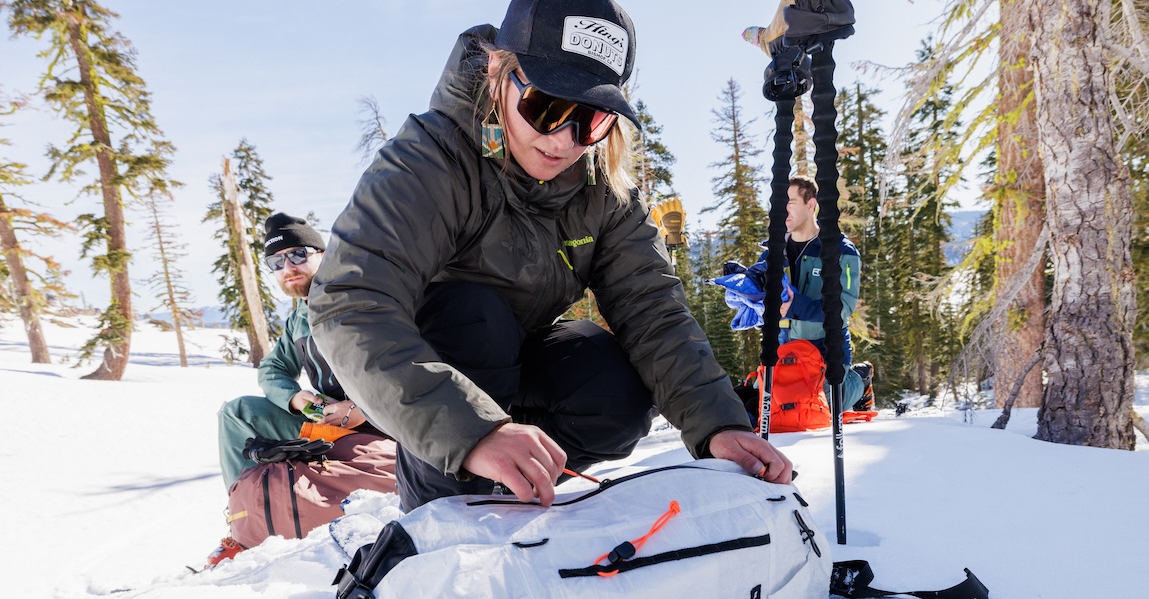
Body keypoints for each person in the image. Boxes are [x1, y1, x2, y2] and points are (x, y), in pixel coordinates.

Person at [309, 0, 794, 512]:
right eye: (547, 107)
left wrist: (718, 425)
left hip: (521, 365)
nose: (564, 139)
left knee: (611, 383)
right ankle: (442, 505)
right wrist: (474, 432)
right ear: (500, 71)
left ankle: (512, 487)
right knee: (476, 315)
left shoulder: (603, 188)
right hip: (436, 363)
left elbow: (653, 309)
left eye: (592, 120)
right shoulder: (429, 160)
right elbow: (350, 304)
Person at [216, 212, 379, 490]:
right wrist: (294, 398)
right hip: (329, 422)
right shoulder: (298, 318)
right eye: (276, 262)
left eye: (298, 254)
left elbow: (404, 359)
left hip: (379, 421)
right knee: (236, 413)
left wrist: (362, 407)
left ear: (323, 254)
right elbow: (272, 368)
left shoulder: (359, 295)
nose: (288, 267)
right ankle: (246, 510)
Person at [767, 175, 872, 412]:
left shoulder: (841, 251)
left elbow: (843, 307)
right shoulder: (773, 252)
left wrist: (795, 306)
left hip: (826, 349)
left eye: (790, 203)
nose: (783, 211)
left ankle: (860, 379)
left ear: (811, 204)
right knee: (766, 403)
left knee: (821, 406)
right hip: (785, 347)